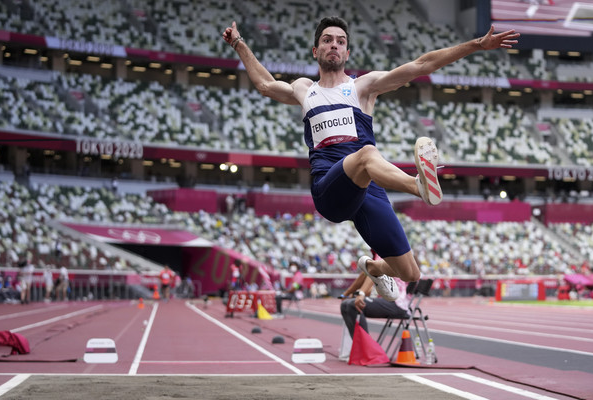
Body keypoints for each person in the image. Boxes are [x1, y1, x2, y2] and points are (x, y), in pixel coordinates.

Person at [222, 18, 519, 300]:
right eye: (327, 40)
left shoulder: (363, 87)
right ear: (316, 51)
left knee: (410, 273)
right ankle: (419, 186)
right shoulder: (304, 89)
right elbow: (264, 84)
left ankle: (374, 268)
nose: (334, 45)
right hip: (329, 188)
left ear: (347, 52)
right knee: (366, 154)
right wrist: (239, 43)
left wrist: (477, 45)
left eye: (340, 41)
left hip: (368, 189)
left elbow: (422, 65)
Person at [340, 272, 410, 340]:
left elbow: (371, 273)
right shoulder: (372, 262)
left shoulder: (383, 260)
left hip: (398, 303)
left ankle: (366, 347)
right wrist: (346, 294)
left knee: (353, 305)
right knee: (345, 304)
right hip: (386, 299)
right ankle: (358, 346)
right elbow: (363, 275)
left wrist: (360, 293)